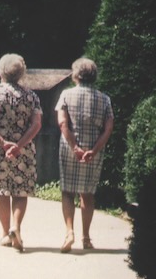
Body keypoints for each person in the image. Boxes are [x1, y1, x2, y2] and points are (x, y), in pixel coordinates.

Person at [0, 54, 42, 252]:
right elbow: (36, 124)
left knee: (1, 190)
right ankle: (16, 226)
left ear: (0, 71)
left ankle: (5, 233)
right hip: (23, 150)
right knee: (20, 190)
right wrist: (19, 144)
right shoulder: (31, 96)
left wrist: (3, 142)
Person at [55, 58, 114, 253]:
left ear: (76, 75)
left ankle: (69, 232)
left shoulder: (66, 94)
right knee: (87, 194)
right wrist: (94, 150)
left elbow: (63, 123)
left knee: (67, 191)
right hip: (93, 151)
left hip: (70, 148)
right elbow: (108, 128)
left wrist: (75, 147)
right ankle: (86, 237)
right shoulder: (104, 99)